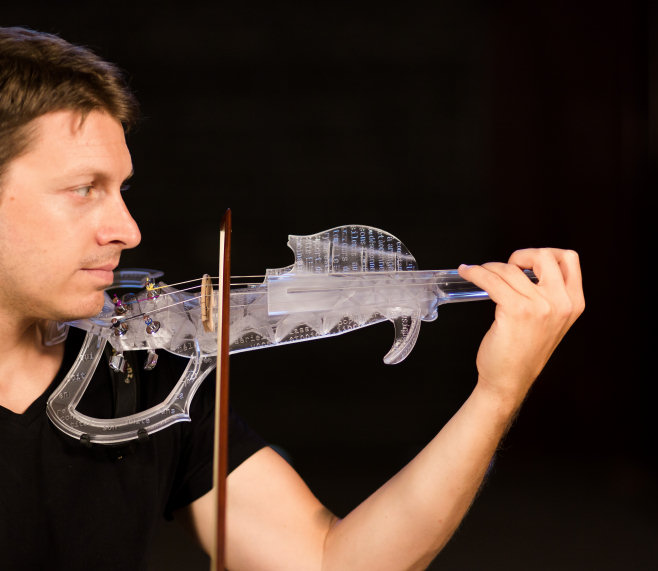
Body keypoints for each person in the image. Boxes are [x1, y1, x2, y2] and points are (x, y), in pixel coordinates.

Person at [0, 26, 584, 570]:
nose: (128, 230)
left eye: (121, 189)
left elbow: (330, 561)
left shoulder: (139, 380)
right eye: (84, 189)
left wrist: (497, 394)